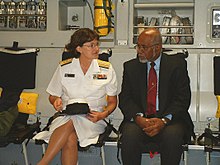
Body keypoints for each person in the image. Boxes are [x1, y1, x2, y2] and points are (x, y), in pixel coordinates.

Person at [34, 28, 118, 165]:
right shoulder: (64, 68)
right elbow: (53, 96)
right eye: (91, 45)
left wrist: (103, 115)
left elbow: (113, 102)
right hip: (66, 116)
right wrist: (56, 101)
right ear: (79, 48)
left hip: (93, 118)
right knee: (70, 137)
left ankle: (43, 163)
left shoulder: (106, 69)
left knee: (72, 124)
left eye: (97, 44)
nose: (96, 48)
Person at [118, 28, 194, 165]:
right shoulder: (131, 67)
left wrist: (164, 120)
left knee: (172, 136)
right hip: (141, 118)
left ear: (157, 47)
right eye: (138, 46)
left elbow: (182, 99)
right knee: (130, 135)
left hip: (169, 118)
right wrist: (138, 117)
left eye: (143, 47)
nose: (139, 51)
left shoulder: (177, 65)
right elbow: (125, 99)